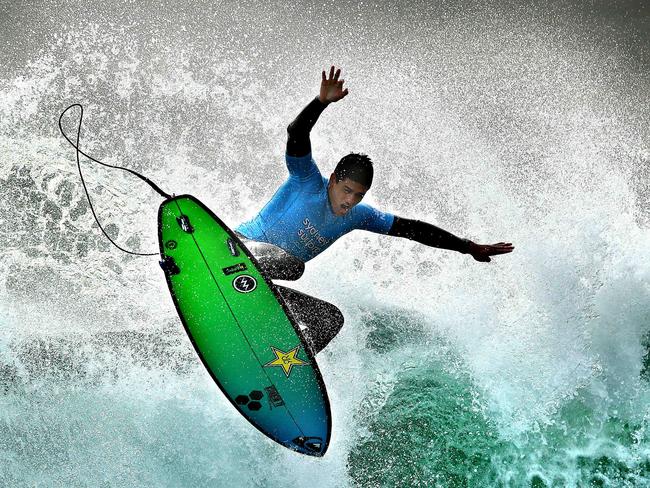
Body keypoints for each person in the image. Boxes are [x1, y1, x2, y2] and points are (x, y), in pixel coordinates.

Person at [236, 66, 514, 354]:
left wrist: (468, 247)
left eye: (358, 195)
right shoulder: (306, 180)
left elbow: (412, 229)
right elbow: (296, 132)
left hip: (259, 283)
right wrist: (321, 102)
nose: (350, 201)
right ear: (333, 180)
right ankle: (236, 273)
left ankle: (281, 363)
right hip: (237, 249)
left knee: (328, 320)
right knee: (293, 266)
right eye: (346, 190)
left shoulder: (358, 215)